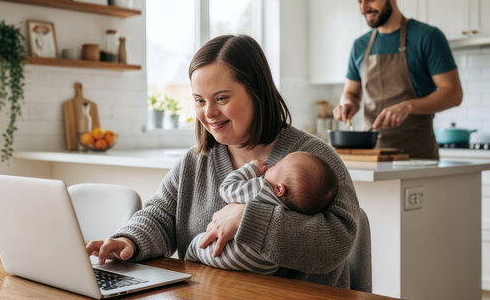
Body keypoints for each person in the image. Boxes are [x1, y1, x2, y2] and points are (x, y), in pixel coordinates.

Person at [86, 35, 362, 288]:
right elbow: (160, 216)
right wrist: (128, 241)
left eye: (221, 98)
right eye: (199, 100)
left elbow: (335, 243)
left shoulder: (312, 157)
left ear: (257, 93)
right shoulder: (195, 162)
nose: (209, 112)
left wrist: (249, 218)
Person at [333, 0, 463, 160]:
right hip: (371, 157)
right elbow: (350, 93)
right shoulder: (360, 45)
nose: (363, 8)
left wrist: (408, 106)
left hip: (417, 158)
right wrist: (346, 103)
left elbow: (453, 93)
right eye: (358, 0)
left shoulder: (427, 37)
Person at [186, 152, 339, 274]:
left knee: (196, 246)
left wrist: (250, 169)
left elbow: (227, 189)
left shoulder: (262, 188)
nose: (271, 165)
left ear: (279, 189)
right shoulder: (295, 208)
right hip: (266, 267)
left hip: (229, 254)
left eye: (276, 166)